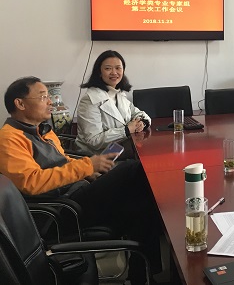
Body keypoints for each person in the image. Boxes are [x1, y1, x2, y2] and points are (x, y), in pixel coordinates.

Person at [0, 76, 161, 284]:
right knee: (134, 169)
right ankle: (147, 273)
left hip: (76, 195)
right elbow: (31, 183)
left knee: (141, 204)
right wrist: (87, 166)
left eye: (48, 96)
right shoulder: (9, 139)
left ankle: (143, 276)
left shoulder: (42, 131)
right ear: (20, 104)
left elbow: (62, 161)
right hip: (61, 211)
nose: (50, 102)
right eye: (42, 97)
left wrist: (88, 172)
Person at [76, 50, 150, 154]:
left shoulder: (118, 94)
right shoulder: (89, 100)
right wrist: (126, 130)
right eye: (108, 68)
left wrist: (142, 123)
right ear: (99, 72)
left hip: (121, 151)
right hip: (97, 158)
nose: (114, 72)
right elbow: (94, 140)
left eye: (118, 68)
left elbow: (139, 114)